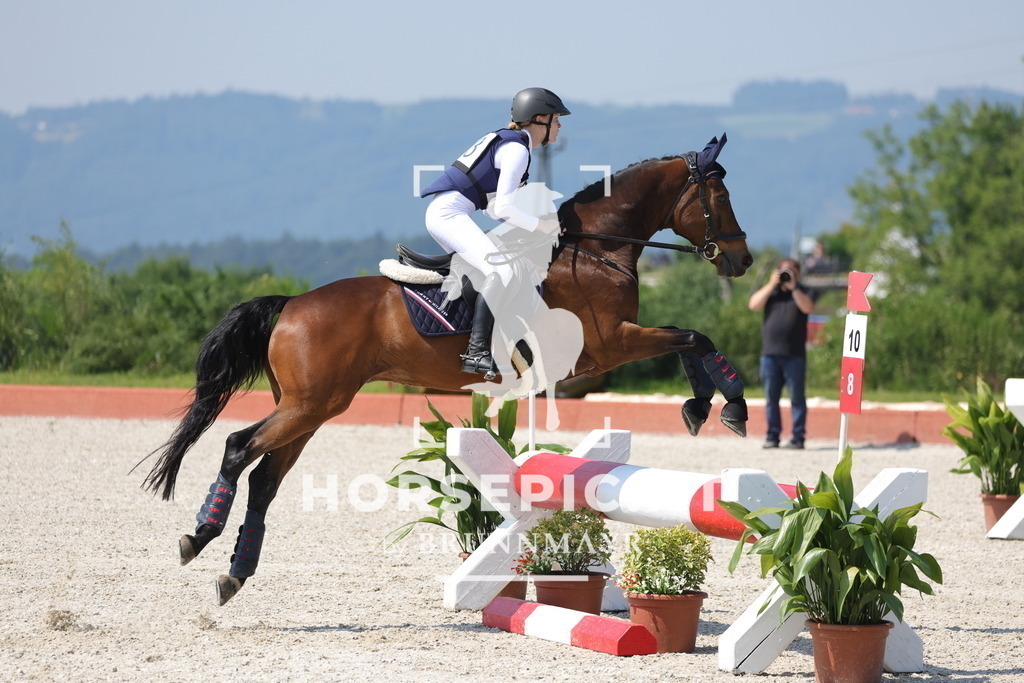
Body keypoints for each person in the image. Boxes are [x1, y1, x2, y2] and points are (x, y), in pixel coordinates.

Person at [420, 87, 568, 378]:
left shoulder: (513, 143)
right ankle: (476, 352)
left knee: (506, 267)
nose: (560, 125)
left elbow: (491, 209)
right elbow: (501, 208)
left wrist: (532, 225)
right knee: (501, 272)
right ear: (540, 119)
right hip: (449, 215)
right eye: (556, 119)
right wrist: (541, 226)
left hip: (452, 212)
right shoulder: (517, 149)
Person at [747, 258, 817, 449]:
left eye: (791, 271)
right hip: (770, 354)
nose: (787, 275)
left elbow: (808, 308)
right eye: (784, 271)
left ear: (798, 274)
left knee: (797, 398)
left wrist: (794, 287)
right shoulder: (772, 292)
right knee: (771, 399)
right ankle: (772, 436)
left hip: (795, 355)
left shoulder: (803, 291)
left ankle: (798, 438)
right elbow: (753, 305)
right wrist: (771, 284)